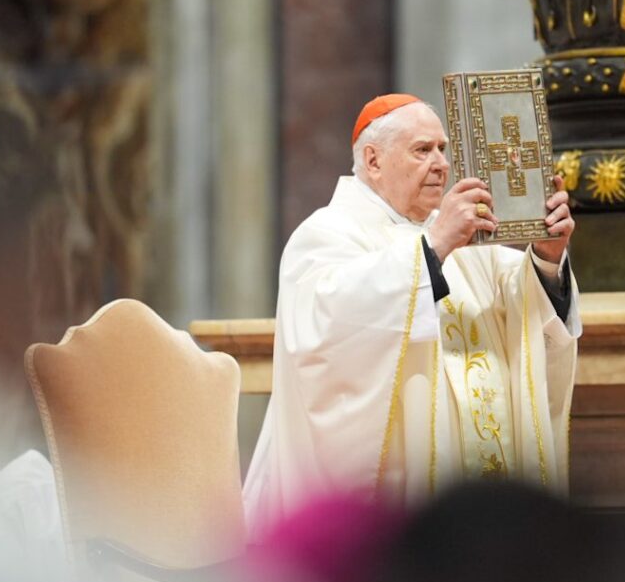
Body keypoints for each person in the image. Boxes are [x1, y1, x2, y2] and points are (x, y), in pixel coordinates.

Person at [244, 93, 581, 533]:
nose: (441, 163)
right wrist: (433, 248)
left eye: (443, 148)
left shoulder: (459, 238)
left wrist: (547, 256)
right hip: (396, 511)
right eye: (423, 150)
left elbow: (523, 303)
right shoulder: (326, 235)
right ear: (374, 160)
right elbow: (327, 331)